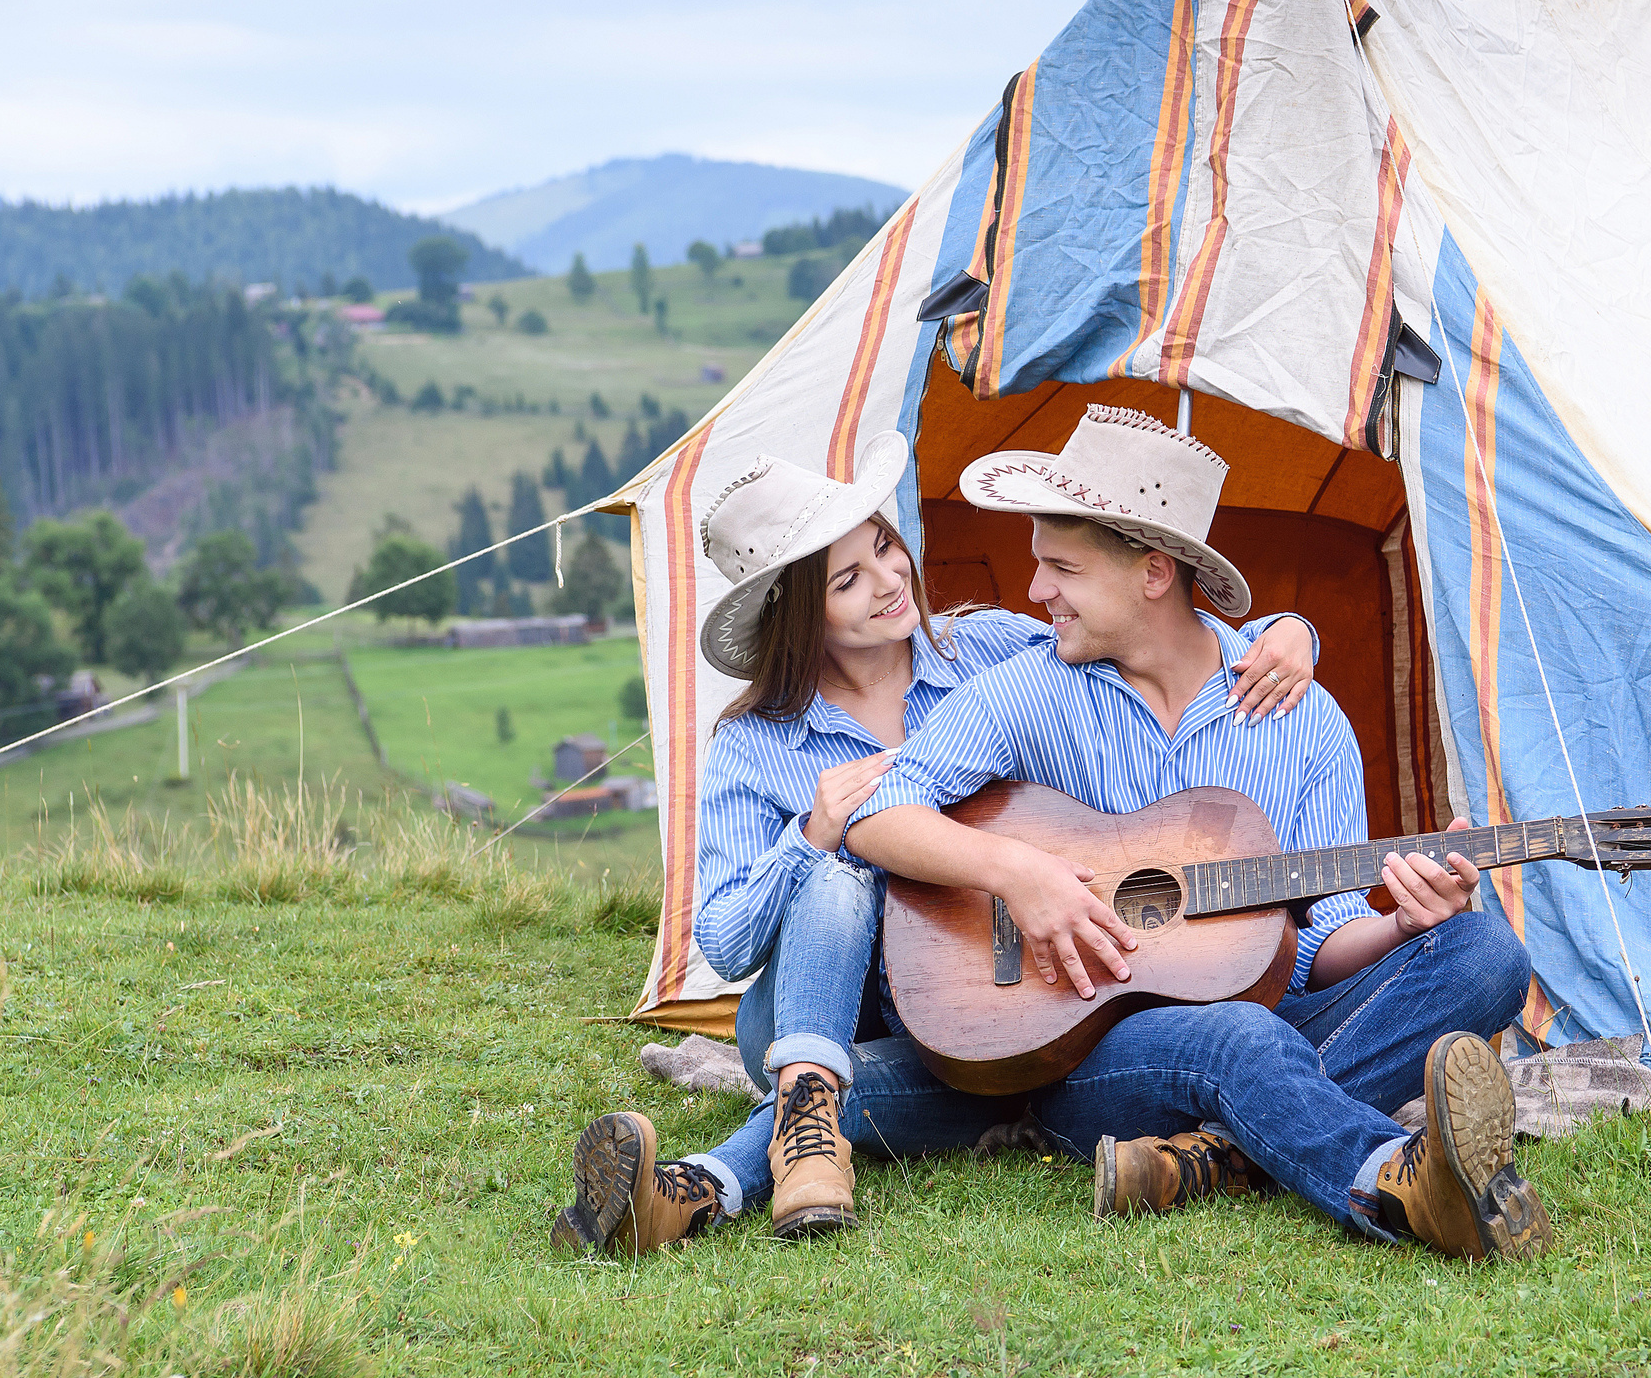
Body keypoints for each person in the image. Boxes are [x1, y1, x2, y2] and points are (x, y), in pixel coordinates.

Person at [549, 431, 1320, 1255]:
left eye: (885, 547)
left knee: (997, 1081)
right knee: (842, 878)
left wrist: (1288, 629)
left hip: (962, 1012)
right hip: (825, 1011)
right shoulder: (755, 743)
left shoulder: (982, 647)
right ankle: (808, 1126)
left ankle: (695, 1191)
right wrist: (811, 837)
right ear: (798, 614)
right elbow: (727, 942)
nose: (889, 581)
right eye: (848, 580)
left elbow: (1122, 622)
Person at [845, 407, 1549, 1261]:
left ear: (1151, 574)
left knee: (1486, 955)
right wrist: (1017, 875)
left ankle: (1212, 1159)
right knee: (1241, 1036)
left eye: (1062, 568)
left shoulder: (1305, 720)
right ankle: (1390, 1180)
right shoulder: (1028, 692)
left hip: (1284, 1009)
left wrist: (1404, 923)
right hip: (1100, 1049)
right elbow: (876, 812)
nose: (1037, 594)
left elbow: (1319, 942)